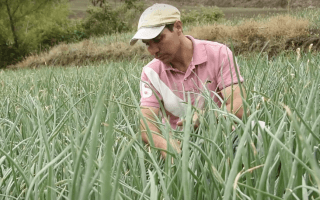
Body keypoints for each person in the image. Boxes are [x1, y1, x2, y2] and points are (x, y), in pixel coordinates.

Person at [130, 3, 246, 158]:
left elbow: (239, 106)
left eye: (158, 39)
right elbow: (147, 124)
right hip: (179, 144)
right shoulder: (151, 72)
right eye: (147, 44)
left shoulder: (219, 54)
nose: (153, 50)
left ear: (178, 27)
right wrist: (165, 145)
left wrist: (209, 117)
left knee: (256, 137)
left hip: (222, 138)